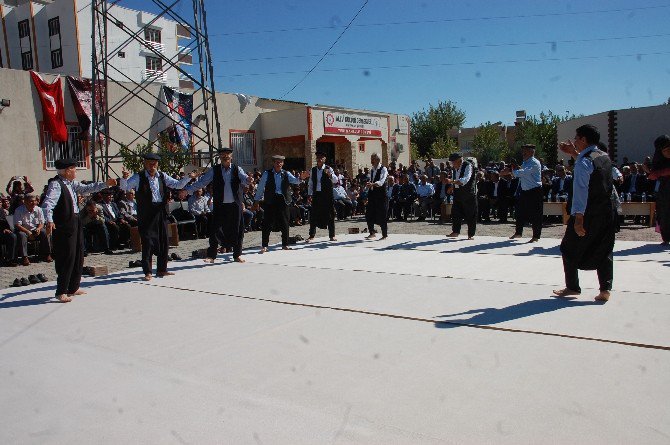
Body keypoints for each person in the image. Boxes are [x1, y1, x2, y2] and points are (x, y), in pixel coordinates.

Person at [42, 158, 116, 303]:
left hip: (75, 222)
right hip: (64, 225)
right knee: (66, 256)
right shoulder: (56, 184)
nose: (76, 171)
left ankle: (73, 287)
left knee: (78, 255)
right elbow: (48, 204)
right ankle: (61, 290)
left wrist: (105, 184)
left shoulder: (71, 184)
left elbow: (87, 188)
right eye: (74, 169)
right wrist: (49, 220)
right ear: (67, 170)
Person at [554, 124, 614, 302]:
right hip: (606, 210)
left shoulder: (583, 161)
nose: (574, 141)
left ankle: (572, 287)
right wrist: (574, 153)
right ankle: (605, 290)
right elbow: (591, 167)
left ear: (583, 139)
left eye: (576, 138)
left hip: (588, 212)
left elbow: (581, 189)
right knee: (604, 248)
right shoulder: (603, 155)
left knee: (568, 247)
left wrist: (578, 218)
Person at [120, 153, 194, 280]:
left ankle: (162, 269)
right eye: (149, 163)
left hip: (160, 212)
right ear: (145, 163)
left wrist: (189, 177)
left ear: (157, 164)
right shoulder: (139, 177)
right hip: (146, 213)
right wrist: (124, 178)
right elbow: (125, 187)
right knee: (147, 241)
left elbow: (178, 185)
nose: (152, 165)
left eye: (154, 163)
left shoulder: (162, 176)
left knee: (164, 240)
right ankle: (147, 271)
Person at [185, 147, 249, 262]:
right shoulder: (214, 170)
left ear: (231, 156)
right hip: (220, 205)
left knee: (238, 229)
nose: (225, 157)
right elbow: (202, 182)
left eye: (227, 154)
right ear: (219, 157)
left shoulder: (237, 169)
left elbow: (244, 179)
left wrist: (249, 180)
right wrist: (188, 190)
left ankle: (237, 254)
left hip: (235, 204)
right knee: (215, 229)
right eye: (223, 155)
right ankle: (212, 255)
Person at [252, 155, 307, 253]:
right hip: (271, 200)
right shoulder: (267, 173)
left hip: (283, 200)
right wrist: (256, 201)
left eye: (280, 162)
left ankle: (285, 244)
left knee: (285, 222)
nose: (279, 164)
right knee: (267, 223)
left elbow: (295, 181)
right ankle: (264, 245)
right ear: (273, 163)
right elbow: (260, 188)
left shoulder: (286, 173)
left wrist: (301, 178)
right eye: (277, 162)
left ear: (283, 163)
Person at [501, 144, 543, 242]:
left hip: (535, 191)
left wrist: (511, 170)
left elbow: (522, 172)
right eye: (523, 150)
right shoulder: (525, 162)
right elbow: (519, 172)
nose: (523, 153)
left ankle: (536, 236)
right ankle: (518, 233)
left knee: (536, 214)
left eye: (525, 151)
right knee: (519, 212)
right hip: (524, 191)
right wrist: (512, 168)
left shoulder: (534, 163)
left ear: (532, 152)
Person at [643, 135, 670, 245]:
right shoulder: (659, 160)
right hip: (665, 190)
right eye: (665, 150)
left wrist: (656, 173)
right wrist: (649, 172)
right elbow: (652, 176)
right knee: (664, 213)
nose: (668, 152)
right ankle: (667, 237)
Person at [306, 150, 336, 242]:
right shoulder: (313, 170)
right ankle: (311, 235)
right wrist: (309, 194)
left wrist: (329, 175)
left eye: (321, 157)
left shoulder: (328, 168)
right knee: (313, 214)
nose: (319, 159)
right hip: (317, 194)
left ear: (324, 159)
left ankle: (332, 235)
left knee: (330, 214)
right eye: (318, 157)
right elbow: (311, 183)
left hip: (327, 195)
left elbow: (335, 180)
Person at [446, 153, 477, 239]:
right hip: (458, 193)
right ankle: (455, 231)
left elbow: (465, 180)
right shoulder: (455, 168)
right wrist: (451, 187)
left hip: (468, 193)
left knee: (470, 214)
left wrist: (451, 182)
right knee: (455, 212)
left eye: (453, 162)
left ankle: (471, 234)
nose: (452, 164)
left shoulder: (468, 166)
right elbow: (454, 178)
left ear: (459, 161)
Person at [13, 194, 51, 265]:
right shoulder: (19, 210)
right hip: (23, 230)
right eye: (31, 201)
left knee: (43, 232)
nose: (34, 203)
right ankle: (25, 257)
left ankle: (46, 254)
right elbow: (17, 225)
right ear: (25, 202)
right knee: (22, 235)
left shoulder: (38, 209)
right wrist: (27, 232)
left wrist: (39, 228)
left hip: (35, 229)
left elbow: (41, 222)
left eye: (35, 201)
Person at [364, 153, 389, 239]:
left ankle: (384, 235)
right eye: (371, 158)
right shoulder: (372, 170)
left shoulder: (383, 169)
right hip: (372, 195)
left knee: (382, 215)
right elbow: (371, 181)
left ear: (378, 160)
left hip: (381, 195)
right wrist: (368, 185)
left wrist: (372, 184)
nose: (371, 160)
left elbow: (381, 182)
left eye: (373, 159)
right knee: (368, 214)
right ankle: (372, 232)